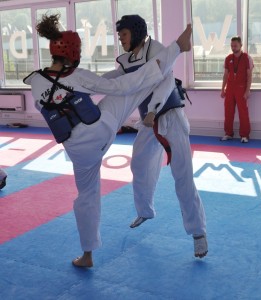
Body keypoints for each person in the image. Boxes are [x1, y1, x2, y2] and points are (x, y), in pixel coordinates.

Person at [23, 13, 192, 268]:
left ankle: (87, 255)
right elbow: (119, 85)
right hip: (100, 131)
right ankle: (179, 48)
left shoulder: (34, 81)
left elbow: (65, 92)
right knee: (135, 85)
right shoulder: (76, 76)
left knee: (86, 196)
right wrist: (173, 49)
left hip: (77, 151)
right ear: (73, 52)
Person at [103, 15, 207, 258]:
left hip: (171, 117)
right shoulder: (129, 59)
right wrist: (84, 81)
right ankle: (145, 211)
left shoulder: (157, 49)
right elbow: (116, 77)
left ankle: (198, 233)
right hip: (148, 123)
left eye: (123, 34)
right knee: (139, 165)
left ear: (136, 31)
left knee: (182, 176)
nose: (120, 39)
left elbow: (167, 80)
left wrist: (153, 110)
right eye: (119, 35)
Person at [221, 36, 254, 143]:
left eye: (235, 45)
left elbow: (249, 76)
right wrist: (223, 89)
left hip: (241, 88)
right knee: (228, 111)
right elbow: (225, 75)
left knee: (243, 112)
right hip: (230, 88)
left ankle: (244, 135)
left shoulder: (247, 58)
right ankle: (228, 133)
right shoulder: (228, 58)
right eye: (231, 46)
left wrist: (247, 90)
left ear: (241, 45)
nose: (233, 47)